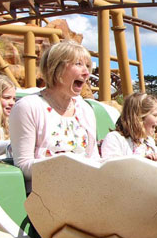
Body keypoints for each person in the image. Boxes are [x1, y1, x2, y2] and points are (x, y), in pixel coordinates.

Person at [9, 40, 98, 182]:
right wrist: (68, 168)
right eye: (78, 64)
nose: (86, 72)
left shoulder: (85, 110)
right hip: (46, 193)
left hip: (85, 188)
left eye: (87, 66)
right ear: (57, 68)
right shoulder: (29, 107)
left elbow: (94, 158)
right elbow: (23, 165)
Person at [101, 92, 157, 161]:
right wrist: (143, 161)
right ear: (138, 117)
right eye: (155, 115)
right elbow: (111, 166)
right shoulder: (115, 138)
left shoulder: (148, 141)